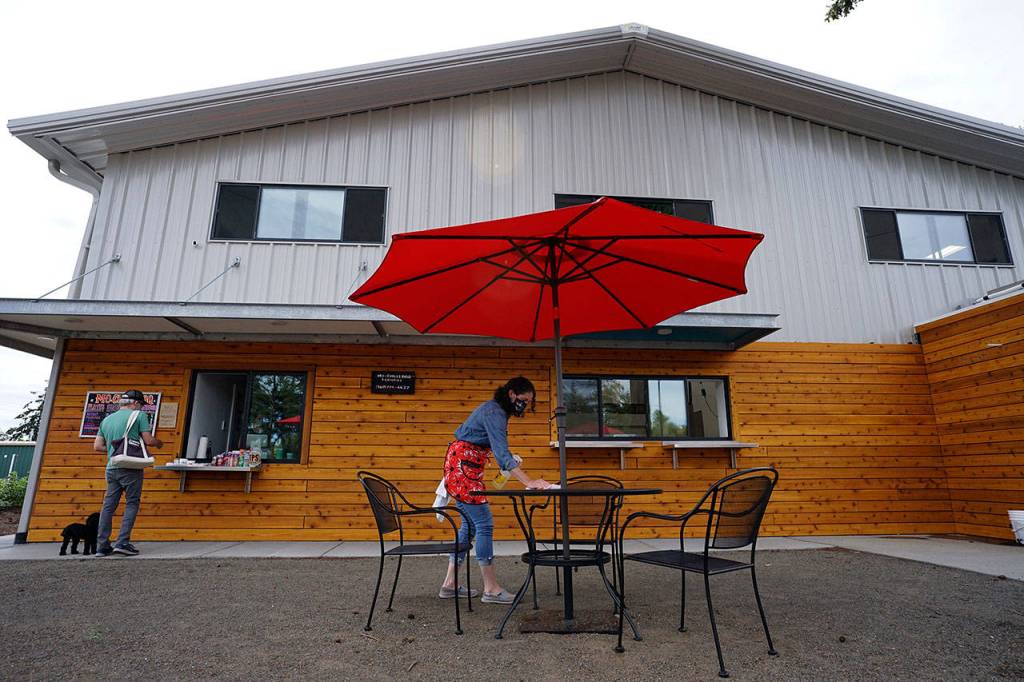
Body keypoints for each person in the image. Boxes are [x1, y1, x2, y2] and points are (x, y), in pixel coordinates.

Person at [439, 376, 552, 604]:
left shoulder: (496, 411)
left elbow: (501, 451)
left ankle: (450, 584)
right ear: (511, 394)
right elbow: (502, 456)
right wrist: (528, 481)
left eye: (529, 402)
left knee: (469, 525)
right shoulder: (495, 413)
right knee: (483, 524)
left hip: (461, 465)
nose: (525, 405)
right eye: (523, 400)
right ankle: (490, 589)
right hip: (463, 468)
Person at [92, 390, 163, 557]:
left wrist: (114, 451)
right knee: (132, 502)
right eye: (141, 404)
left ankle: (102, 546)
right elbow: (148, 440)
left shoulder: (107, 419)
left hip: (111, 467)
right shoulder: (139, 416)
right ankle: (122, 542)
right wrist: (160, 443)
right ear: (136, 403)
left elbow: (97, 446)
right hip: (131, 467)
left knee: (108, 506)